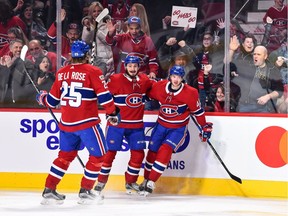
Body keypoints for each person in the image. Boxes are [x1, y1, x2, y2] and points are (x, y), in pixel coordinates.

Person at [35, 40, 120, 204]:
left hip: (66, 125)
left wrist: (42, 97)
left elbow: (51, 102)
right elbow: (104, 97)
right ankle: (86, 190)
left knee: (64, 157)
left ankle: (49, 189)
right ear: (87, 55)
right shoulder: (93, 71)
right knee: (100, 155)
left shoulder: (62, 72)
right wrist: (113, 112)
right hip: (87, 123)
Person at [139, 65, 213, 196]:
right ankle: (145, 179)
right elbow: (149, 93)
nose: (176, 80)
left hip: (177, 129)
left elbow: (198, 111)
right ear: (170, 77)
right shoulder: (160, 87)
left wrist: (204, 126)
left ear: (182, 78)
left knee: (165, 150)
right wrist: (145, 94)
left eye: (178, 77)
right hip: (160, 126)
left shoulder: (190, 92)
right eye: (174, 76)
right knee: (152, 152)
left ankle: (151, 181)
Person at [94, 55, 154, 195]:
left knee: (138, 154)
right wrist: (110, 113)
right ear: (125, 66)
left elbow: (155, 91)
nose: (132, 69)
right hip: (117, 125)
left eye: (135, 66)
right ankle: (101, 182)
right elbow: (103, 96)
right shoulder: (115, 80)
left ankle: (131, 182)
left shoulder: (145, 80)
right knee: (109, 154)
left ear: (139, 67)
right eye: (130, 66)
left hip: (136, 125)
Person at [237, 45, 283, 113]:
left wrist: (268, 96)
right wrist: (231, 51)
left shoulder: (273, 70)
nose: (255, 56)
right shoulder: (247, 67)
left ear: (265, 56)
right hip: (245, 105)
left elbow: (279, 91)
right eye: (254, 54)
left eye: (258, 54)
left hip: (264, 107)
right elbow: (228, 67)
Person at [81, 1, 114, 78]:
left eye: (99, 11)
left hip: (106, 59)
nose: (97, 13)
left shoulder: (108, 23)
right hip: (93, 59)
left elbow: (107, 40)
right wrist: (89, 29)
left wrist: (96, 29)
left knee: (100, 80)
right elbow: (85, 41)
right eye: (94, 11)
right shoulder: (89, 24)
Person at [0, 39, 36, 107]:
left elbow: (26, 80)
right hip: (3, 101)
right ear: (11, 49)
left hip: (19, 102)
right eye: (16, 47)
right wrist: (2, 66)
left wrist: (11, 66)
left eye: (20, 47)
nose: (18, 49)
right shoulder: (5, 61)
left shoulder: (28, 63)